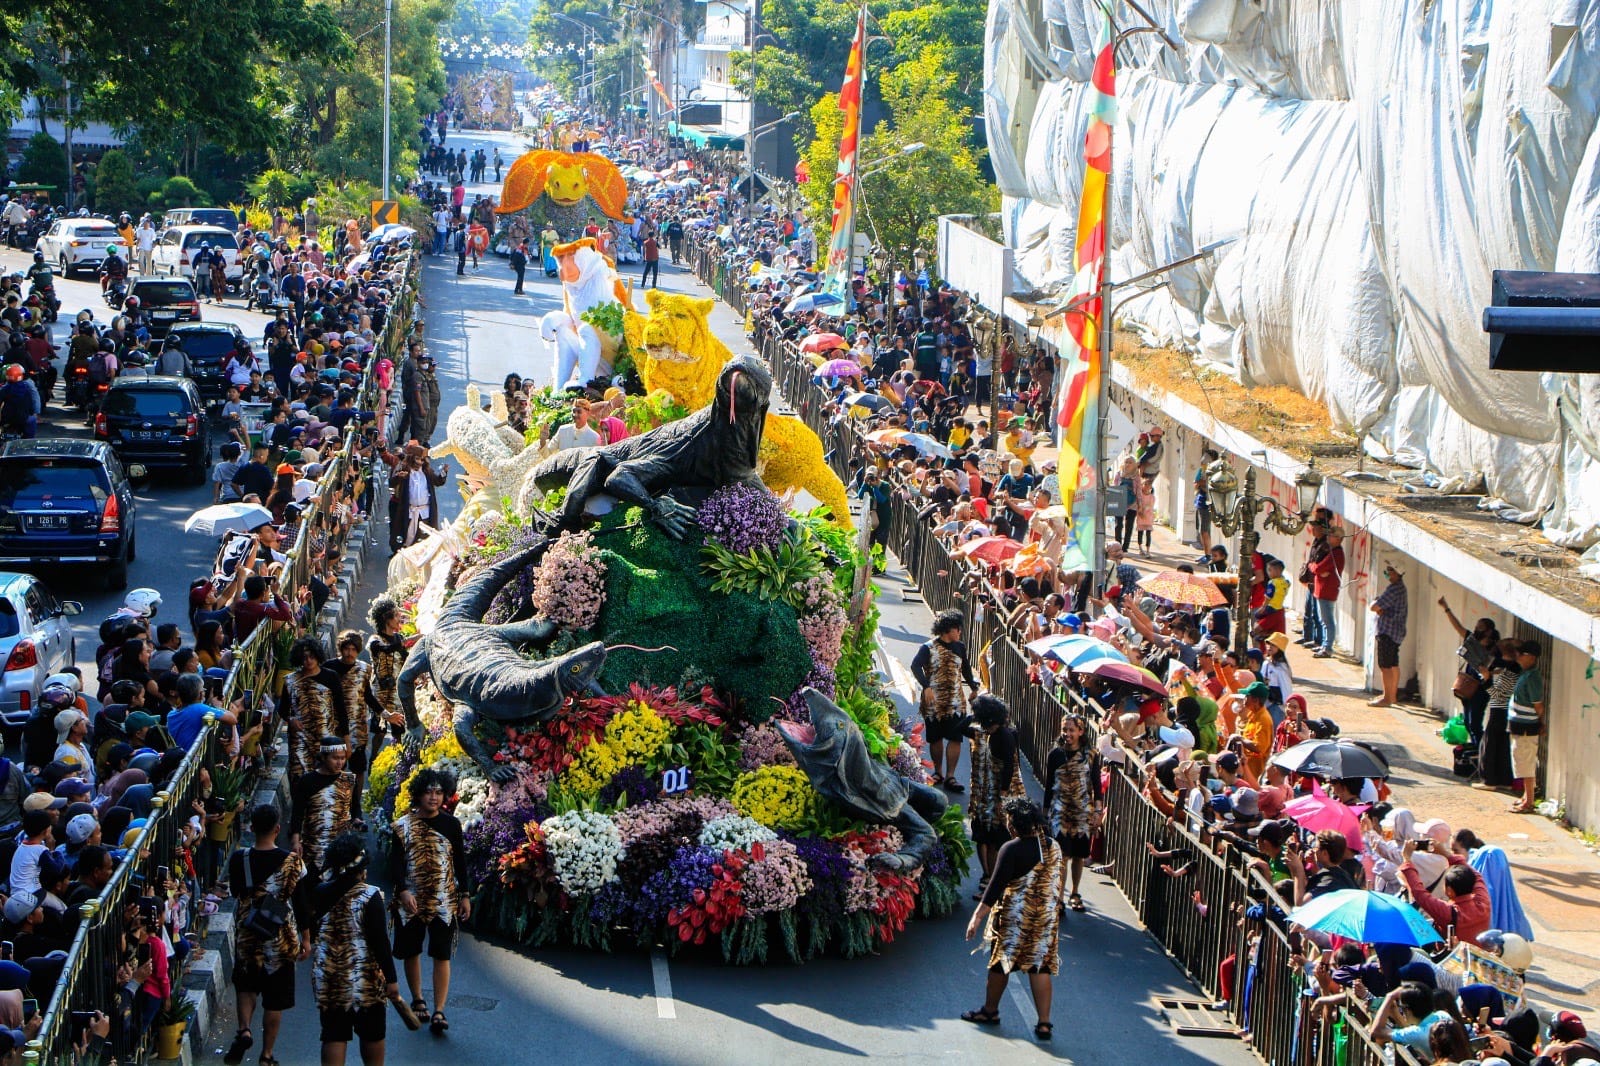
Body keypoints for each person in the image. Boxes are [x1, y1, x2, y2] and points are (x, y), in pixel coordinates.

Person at [961, 797, 1062, 1042]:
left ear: (1014, 824)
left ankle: (990, 1011)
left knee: (1001, 962)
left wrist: (976, 917)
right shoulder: (1053, 846)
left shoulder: (1011, 849)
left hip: (1015, 917)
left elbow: (994, 887)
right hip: (1045, 917)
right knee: (1039, 965)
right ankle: (1044, 1023)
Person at [224, 803, 310, 1066]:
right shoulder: (293, 862)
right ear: (277, 829)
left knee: (246, 985)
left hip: (248, 932)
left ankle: (244, 1030)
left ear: (251, 828)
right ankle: (267, 1055)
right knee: (275, 999)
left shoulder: (239, 859)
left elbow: (236, 891)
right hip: (280, 935)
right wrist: (306, 938)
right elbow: (301, 903)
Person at [389, 768, 470, 1037]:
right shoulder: (402, 826)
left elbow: (460, 863)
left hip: (443, 900)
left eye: (439, 792)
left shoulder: (452, 825)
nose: (434, 798)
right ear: (418, 794)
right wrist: (403, 891)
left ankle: (439, 1010)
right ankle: (418, 999)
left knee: (441, 953)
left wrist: (465, 895)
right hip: (411, 900)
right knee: (412, 951)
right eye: (428, 792)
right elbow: (396, 864)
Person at [311, 833, 402, 1066]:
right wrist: (391, 979)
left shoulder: (320, 892)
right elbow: (380, 942)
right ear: (362, 868)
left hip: (330, 976)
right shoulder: (370, 896)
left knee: (333, 1034)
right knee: (372, 1033)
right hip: (365, 978)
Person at [909, 609, 978, 792]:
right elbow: (915, 666)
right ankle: (938, 772)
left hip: (955, 701)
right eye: (957, 628)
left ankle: (950, 776)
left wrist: (973, 687)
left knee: (956, 737)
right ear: (948, 629)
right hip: (934, 701)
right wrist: (926, 687)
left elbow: (966, 669)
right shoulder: (928, 648)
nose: (960, 632)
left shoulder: (960, 647)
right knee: (935, 738)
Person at [1041, 714, 1102, 913]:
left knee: (1078, 855)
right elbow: (1049, 785)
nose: (1067, 734)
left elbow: (1097, 786)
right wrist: (1045, 813)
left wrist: (1098, 812)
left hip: (1082, 810)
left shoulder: (1090, 755)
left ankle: (1075, 892)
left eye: (1071, 730)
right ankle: (1059, 897)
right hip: (1060, 810)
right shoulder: (1055, 754)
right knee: (1063, 854)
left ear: (1081, 732)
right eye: (1065, 730)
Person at [967, 694, 1024, 890]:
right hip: (985, 794)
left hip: (1001, 796)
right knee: (986, 837)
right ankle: (990, 878)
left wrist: (1002, 796)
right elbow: (959, 727)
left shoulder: (1005, 736)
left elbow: (1009, 767)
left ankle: (998, 882)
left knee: (999, 840)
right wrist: (975, 714)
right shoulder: (989, 732)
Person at [286, 639, 348, 783]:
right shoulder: (290, 681)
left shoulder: (331, 676)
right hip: (300, 738)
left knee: (326, 779)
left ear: (318, 656)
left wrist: (346, 740)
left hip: (326, 737)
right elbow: (283, 709)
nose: (308, 661)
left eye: (311, 657)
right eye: (304, 658)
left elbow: (341, 709)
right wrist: (291, 719)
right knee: (299, 779)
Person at [1438, 600, 1496, 747]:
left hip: (1481, 690)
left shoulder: (1494, 649)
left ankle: (1480, 750)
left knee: (1475, 724)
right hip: (1468, 687)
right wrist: (1446, 608)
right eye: (1476, 627)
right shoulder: (1472, 640)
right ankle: (1476, 748)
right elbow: (1458, 627)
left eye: (1480, 627)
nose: (1476, 629)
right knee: (1468, 722)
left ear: (1488, 631)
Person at [1508, 640, 1545, 814]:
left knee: (1525, 763)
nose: (1518, 657)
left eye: (1522, 654)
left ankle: (1529, 802)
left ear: (1531, 657)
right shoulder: (1525, 674)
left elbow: (1538, 705)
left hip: (1526, 727)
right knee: (1521, 761)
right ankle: (1526, 796)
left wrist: (1539, 722)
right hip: (1519, 726)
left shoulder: (1532, 677)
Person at [388, 443, 447, 552]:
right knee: (406, 533)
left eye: (422, 460)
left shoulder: (427, 472)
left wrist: (444, 471)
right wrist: (398, 477)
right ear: (411, 458)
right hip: (409, 510)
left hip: (425, 511)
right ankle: (403, 552)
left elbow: (438, 481)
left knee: (424, 535)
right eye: (417, 459)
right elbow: (391, 483)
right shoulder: (404, 470)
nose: (420, 462)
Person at [1369, 562, 1408, 707]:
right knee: (1393, 663)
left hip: (1388, 631)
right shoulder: (1401, 588)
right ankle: (1392, 696)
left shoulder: (1394, 589)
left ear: (1397, 573)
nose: (1387, 573)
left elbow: (1374, 606)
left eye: (1390, 570)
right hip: (1396, 632)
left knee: (1385, 665)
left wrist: (1378, 606)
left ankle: (1386, 698)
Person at [1309, 525, 1345, 658]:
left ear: (1338, 538)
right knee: (1323, 619)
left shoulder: (1336, 554)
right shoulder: (1332, 551)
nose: (1328, 537)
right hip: (1323, 590)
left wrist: (1312, 566)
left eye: (1331, 535)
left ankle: (1328, 647)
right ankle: (1325, 644)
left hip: (1327, 590)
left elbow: (1318, 568)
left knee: (1327, 620)